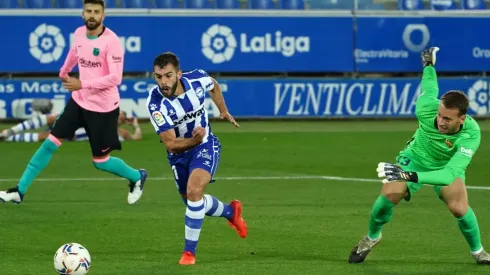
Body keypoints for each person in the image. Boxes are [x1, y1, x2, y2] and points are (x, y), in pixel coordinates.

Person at [348, 47, 490, 265]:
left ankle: (478, 252)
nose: (441, 122)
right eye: (440, 115)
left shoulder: (471, 134)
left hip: (446, 166)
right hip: (414, 157)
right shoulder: (425, 109)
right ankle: (372, 237)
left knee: (459, 208)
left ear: (462, 119)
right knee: (388, 196)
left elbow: (448, 175)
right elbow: (429, 88)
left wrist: (410, 177)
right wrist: (428, 65)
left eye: (447, 119)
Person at [0, 0, 147, 205]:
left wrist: (82, 84)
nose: (92, 15)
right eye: (89, 11)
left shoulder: (112, 42)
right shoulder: (79, 33)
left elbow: (116, 78)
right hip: (79, 103)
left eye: (97, 12)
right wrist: (64, 70)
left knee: (101, 162)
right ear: (83, 13)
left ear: (104, 15)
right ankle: (19, 191)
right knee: (50, 143)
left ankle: (137, 177)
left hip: (103, 110)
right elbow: (75, 52)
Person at [146, 52, 247, 265]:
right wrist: (193, 139)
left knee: (194, 192)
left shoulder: (197, 79)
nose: (163, 82)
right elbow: (171, 144)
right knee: (192, 202)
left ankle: (189, 254)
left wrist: (223, 111)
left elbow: (214, 85)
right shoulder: (155, 103)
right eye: (158, 77)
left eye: (168, 75)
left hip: (205, 145)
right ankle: (231, 211)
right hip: (179, 154)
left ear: (179, 74)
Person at [0, 110, 142, 143]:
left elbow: (137, 137)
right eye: (119, 114)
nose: (119, 117)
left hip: (73, 135)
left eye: (122, 117)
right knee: (52, 118)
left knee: (45, 137)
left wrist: (135, 125)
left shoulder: (120, 132)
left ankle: (6, 138)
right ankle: (10, 131)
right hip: (73, 123)